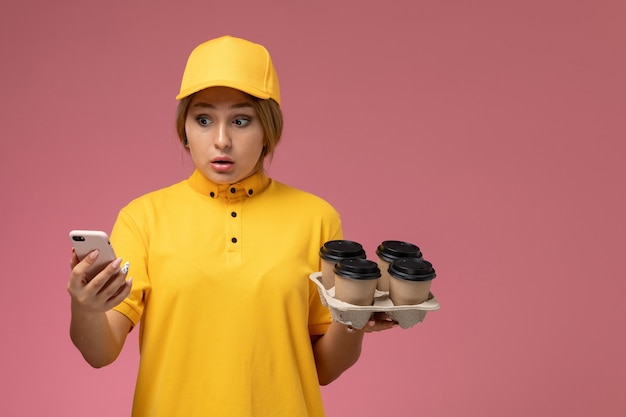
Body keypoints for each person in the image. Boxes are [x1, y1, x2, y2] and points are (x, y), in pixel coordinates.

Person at [67, 35, 396, 417]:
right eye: (203, 119)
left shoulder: (317, 218)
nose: (221, 140)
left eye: (241, 120)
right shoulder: (143, 217)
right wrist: (85, 308)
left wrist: (352, 319)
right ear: (185, 129)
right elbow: (100, 353)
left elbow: (323, 369)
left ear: (267, 130)